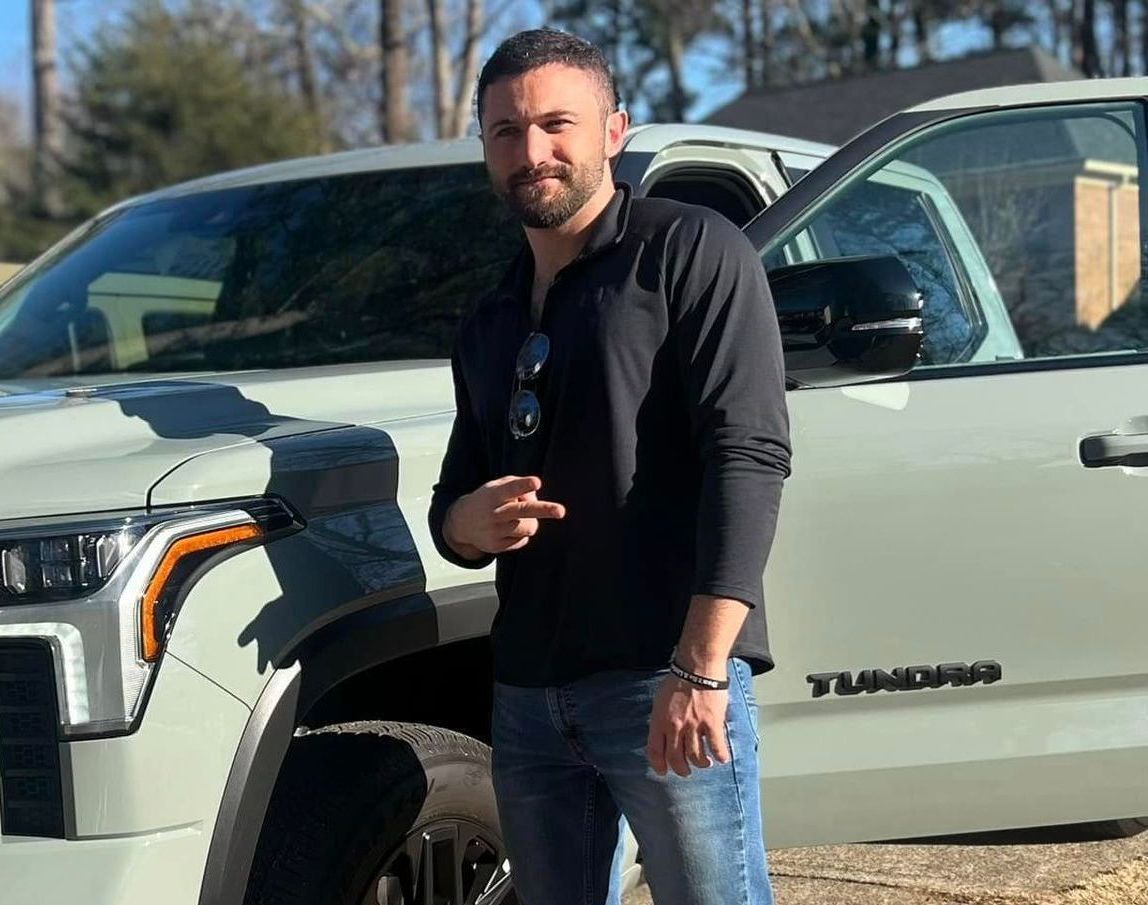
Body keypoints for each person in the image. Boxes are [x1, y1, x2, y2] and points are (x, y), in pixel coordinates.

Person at [427, 27, 791, 905]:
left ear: (615, 130)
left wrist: (703, 668)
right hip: (529, 697)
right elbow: (454, 497)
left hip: (663, 679)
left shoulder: (690, 252)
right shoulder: (490, 314)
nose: (534, 151)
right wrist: (466, 525)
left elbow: (749, 455)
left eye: (559, 123)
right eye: (507, 131)